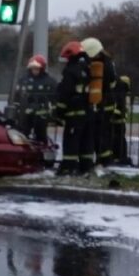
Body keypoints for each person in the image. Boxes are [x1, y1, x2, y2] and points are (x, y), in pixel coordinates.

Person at [54, 41, 94, 175]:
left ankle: (68, 168)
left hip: (74, 114)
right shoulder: (87, 69)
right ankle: (86, 167)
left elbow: (65, 94)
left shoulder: (70, 71)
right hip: (88, 113)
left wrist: (59, 112)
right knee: (86, 141)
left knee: (71, 141)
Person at [82, 37, 118, 166]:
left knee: (101, 133)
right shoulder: (107, 62)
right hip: (102, 103)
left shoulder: (104, 65)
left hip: (103, 103)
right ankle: (102, 159)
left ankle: (104, 160)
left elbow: (107, 82)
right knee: (100, 133)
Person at [15, 55, 57, 143]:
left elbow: (55, 98)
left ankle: (42, 149)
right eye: (33, 68)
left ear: (42, 68)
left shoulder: (49, 81)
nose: (35, 71)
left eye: (37, 68)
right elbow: (17, 96)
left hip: (41, 116)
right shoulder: (23, 80)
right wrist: (17, 110)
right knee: (23, 135)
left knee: (41, 135)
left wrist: (55, 114)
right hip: (26, 116)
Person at [111, 75, 132, 166]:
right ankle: (120, 156)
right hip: (121, 119)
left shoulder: (122, 93)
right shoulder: (126, 94)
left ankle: (119, 156)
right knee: (120, 138)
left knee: (118, 138)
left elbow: (121, 107)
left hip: (118, 119)